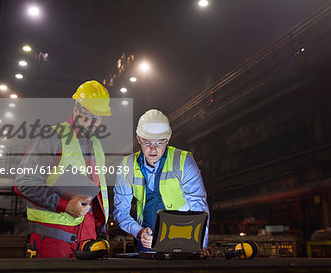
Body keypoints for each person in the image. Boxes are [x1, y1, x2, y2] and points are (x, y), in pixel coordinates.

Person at [15, 80, 111, 258]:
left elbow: (98, 193)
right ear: (76, 109)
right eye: (89, 116)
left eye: (98, 118)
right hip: (53, 236)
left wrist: (101, 229)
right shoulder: (50, 137)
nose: (94, 123)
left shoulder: (98, 144)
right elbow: (24, 183)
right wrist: (64, 205)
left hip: (88, 235)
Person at [113, 109, 210, 256]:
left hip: (183, 240)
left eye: (159, 142)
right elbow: (121, 211)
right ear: (138, 138)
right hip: (147, 242)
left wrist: (200, 243)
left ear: (168, 138)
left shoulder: (183, 162)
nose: (153, 149)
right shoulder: (126, 166)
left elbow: (199, 206)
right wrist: (139, 232)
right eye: (147, 142)